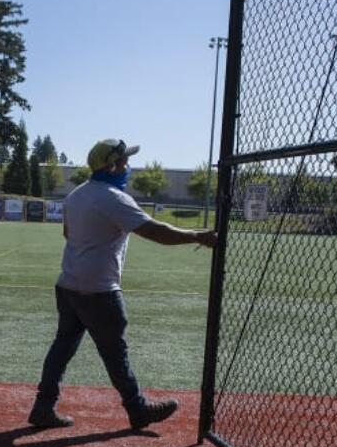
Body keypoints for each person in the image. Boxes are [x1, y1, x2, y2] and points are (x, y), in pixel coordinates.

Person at [29, 139, 218, 431]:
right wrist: (197, 236)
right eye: (125, 161)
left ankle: (43, 407)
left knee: (62, 348)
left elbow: (69, 234)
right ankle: (137, 409)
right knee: (115, 354)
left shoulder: (76, 195)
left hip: (68, 285)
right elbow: (156, 232)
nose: (128, 166)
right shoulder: (114, 198)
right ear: (113, 165)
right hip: (99, 290)